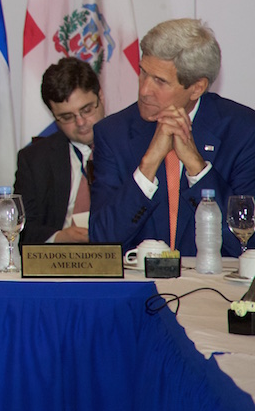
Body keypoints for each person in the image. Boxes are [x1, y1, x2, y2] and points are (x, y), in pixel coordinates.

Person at [90, 19, 255, 255]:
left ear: (197, 88)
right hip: (140, 278)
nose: (144, 90)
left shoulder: (243, 132)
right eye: (143, 72)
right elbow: (102, 242)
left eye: (160, 81)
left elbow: (245, 242)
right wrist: (147, 166)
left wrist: (197, 168)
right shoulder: (113, 133)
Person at [15, 57, 106, 244]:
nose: (80, 122)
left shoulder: (131, 148)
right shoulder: (34, 159)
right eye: (67, 117)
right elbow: (22, 227)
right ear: (53, 116)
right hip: (58, 258)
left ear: (101, 97)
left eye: (86, 110)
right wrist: (58, 238)